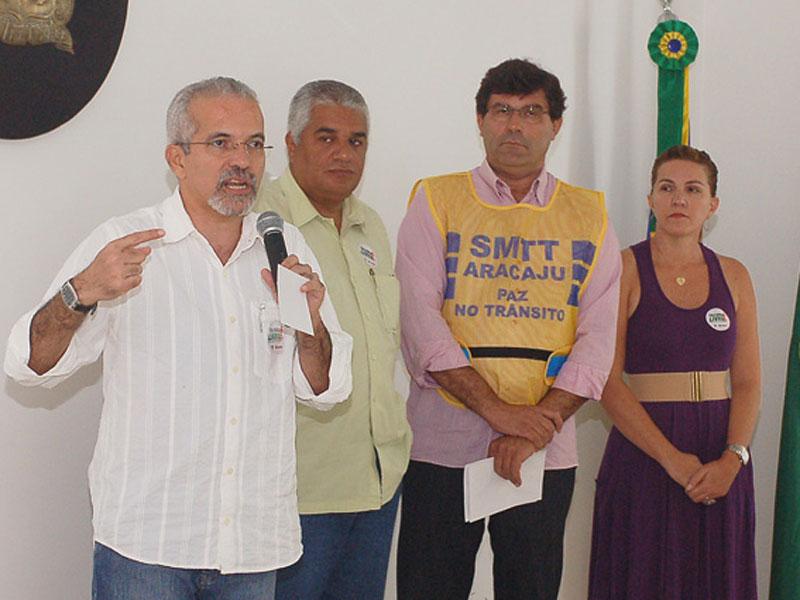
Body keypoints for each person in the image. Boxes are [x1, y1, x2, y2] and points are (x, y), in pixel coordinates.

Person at [3, 77, 353, 600]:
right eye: (221, 143)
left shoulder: (286, 247)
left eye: (254, 144)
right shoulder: (127, 244)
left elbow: (327, 388)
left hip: (253, 546)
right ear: (177, 158)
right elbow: (27, 363)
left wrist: (310, 327)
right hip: (148, 545)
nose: (243, 161)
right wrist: (82, 292)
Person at [395, 58, 621, 600]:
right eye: (501, 110)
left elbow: (597, 342)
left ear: (556, 125)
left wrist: (530, 428)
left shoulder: (588, 213)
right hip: (444, 448)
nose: (515, 125)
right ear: (480, 120)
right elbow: (421, 324)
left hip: (543, 451)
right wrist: (501, 413)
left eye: (531, 112)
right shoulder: (435, 200)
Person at [253, 79, 410, 600]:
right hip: (299, 492)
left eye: (356, 141)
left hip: (376, 482)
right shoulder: (260, 224)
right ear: (291, 143)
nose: (344, 153)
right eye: (326, 138)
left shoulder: (371, 226)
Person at [588, 145, 760, 599]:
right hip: (645, 452)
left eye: (693, 190)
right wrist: (670, 459)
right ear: (650, 200)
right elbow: (607, 381)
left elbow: (748, 382)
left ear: (712, 204)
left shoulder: (735, 276)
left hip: (719, 459)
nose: (679, 199)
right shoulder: (623, 269)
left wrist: (733, 458)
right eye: (667, 188)